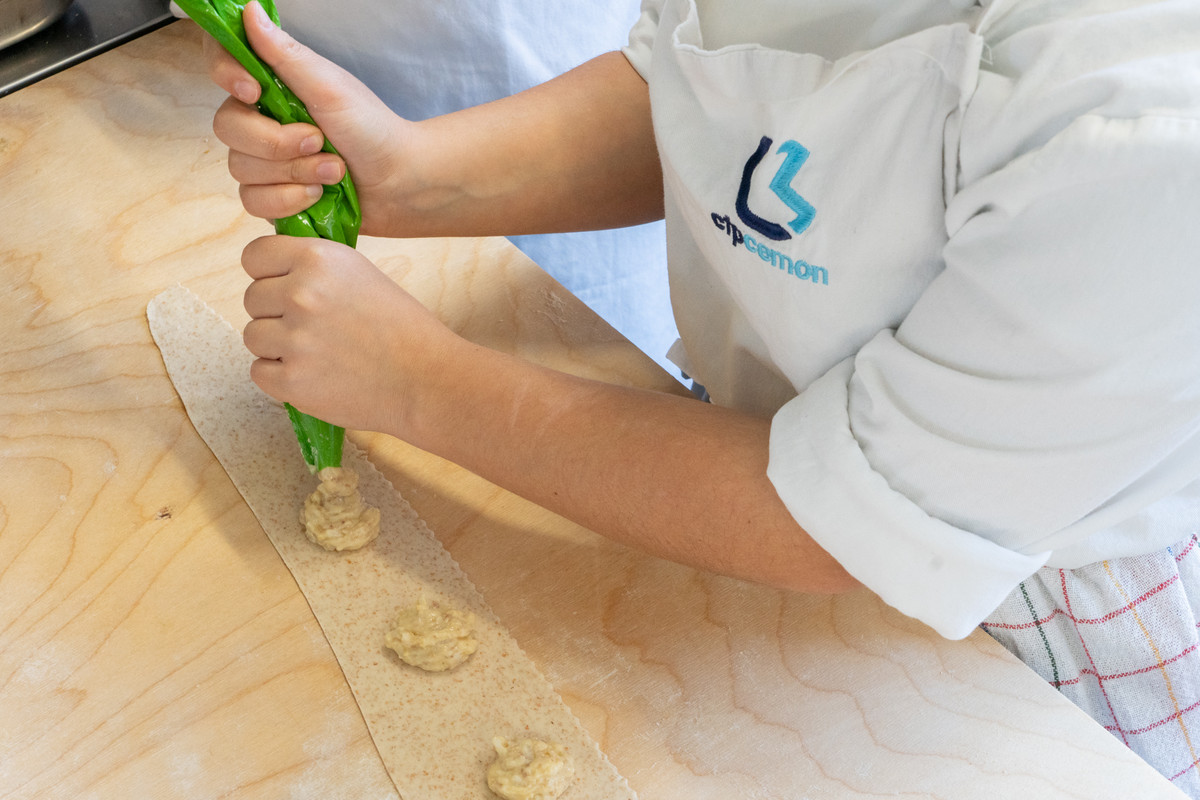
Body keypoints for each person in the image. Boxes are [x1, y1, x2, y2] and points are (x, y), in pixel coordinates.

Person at [198, 1, 1200, 793]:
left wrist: (420, 382)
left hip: (1017, 612)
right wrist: (418, 176)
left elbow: (841, 522)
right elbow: (708, 100)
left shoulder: (1147, 130)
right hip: (741, 480)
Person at [172, 0, 679, 374]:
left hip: (589, 223)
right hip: (340, 164)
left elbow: (681, 107)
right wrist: (395, 181)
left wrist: (418, 385)